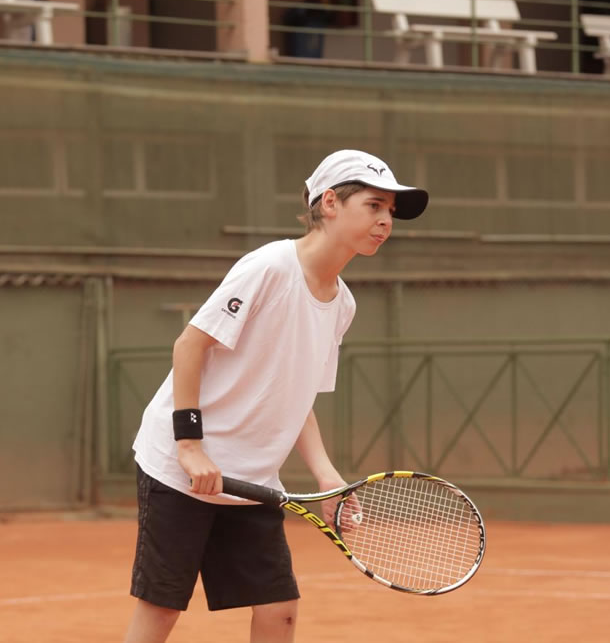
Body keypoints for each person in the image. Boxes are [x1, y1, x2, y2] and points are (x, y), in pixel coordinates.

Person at [124, 150, 428, 642]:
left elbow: (297, 394)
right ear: (330, 203)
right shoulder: (269, 267)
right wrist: (190, 445)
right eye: (373, 205)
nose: (385, 221)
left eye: (390, 211)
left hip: (251, 480)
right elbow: (189, 346)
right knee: (162, 608)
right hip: (179, 470)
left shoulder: (343, 304)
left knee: (279, 609)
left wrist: (326, 476)